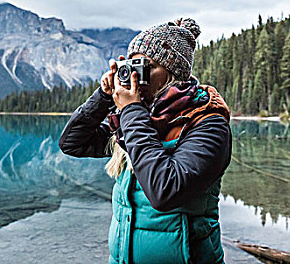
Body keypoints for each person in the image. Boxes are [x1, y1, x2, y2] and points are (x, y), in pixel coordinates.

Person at [59, 18, 232, 264]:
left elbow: (165, 192)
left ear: (173, 72)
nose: (138, 77)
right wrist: (104, 96)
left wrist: (130, 110)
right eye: (132, 67)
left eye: (146, 67)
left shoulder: (207, 123)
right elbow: (72, 143)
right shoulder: (138, 119)